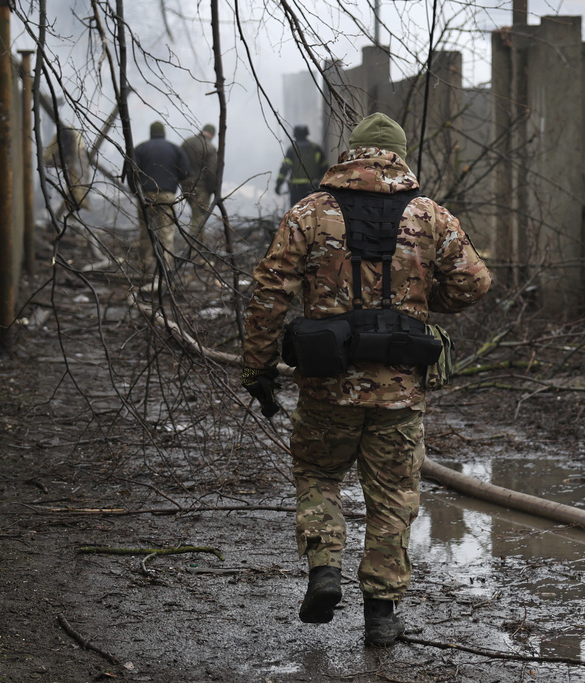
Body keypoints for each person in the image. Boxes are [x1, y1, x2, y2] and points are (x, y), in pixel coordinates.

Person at [242, 112, 491, 647]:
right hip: (399, 391)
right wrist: (425, 301)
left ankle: (325, 569)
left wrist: (257, 365)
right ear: (399, 155)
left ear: (352, 153)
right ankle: (381, 614)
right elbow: (474, 283)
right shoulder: (429, 216)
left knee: (316, 472)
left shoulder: (310, 212)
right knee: (394, 495)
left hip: (327, 384)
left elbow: (269, 291)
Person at [126, 121, 190, 282]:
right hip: (167, 195)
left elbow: (131, 171)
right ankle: (167, 266)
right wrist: (173, 180)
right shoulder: (175, 149)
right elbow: (186, 172)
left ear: (150, 132)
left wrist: (136, 191)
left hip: (146, 195)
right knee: (167, 231)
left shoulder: (141, 148)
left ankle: (145, 265)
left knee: (146, 230)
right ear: (164, 133)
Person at [42, 126, 92, 222]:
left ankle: (72, 210)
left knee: (77, 184)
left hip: (75, 148)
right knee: (77, 185)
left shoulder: (77, 151)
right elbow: (47, 159)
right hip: (71, 148)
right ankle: (73, 208)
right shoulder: (66, 142)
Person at [274, 124, 330, 206]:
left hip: (296, 189)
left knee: (296, 214)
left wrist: (278, 185)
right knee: (312, 213)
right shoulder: (316, 148)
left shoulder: (292, 149)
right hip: (312, 187)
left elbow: (284, 169)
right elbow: (325, 168)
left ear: (295, 134)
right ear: (307, 133)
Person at [181, 123, 218, 241]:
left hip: (185, 185)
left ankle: (198, 252)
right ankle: (190, 252)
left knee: (199, 218)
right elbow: (212, 172)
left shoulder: (186, 143)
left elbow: (178, 163)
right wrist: (212, 190)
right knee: (198, 220)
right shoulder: (210, 148)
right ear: (212, 134)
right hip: (201, 189)